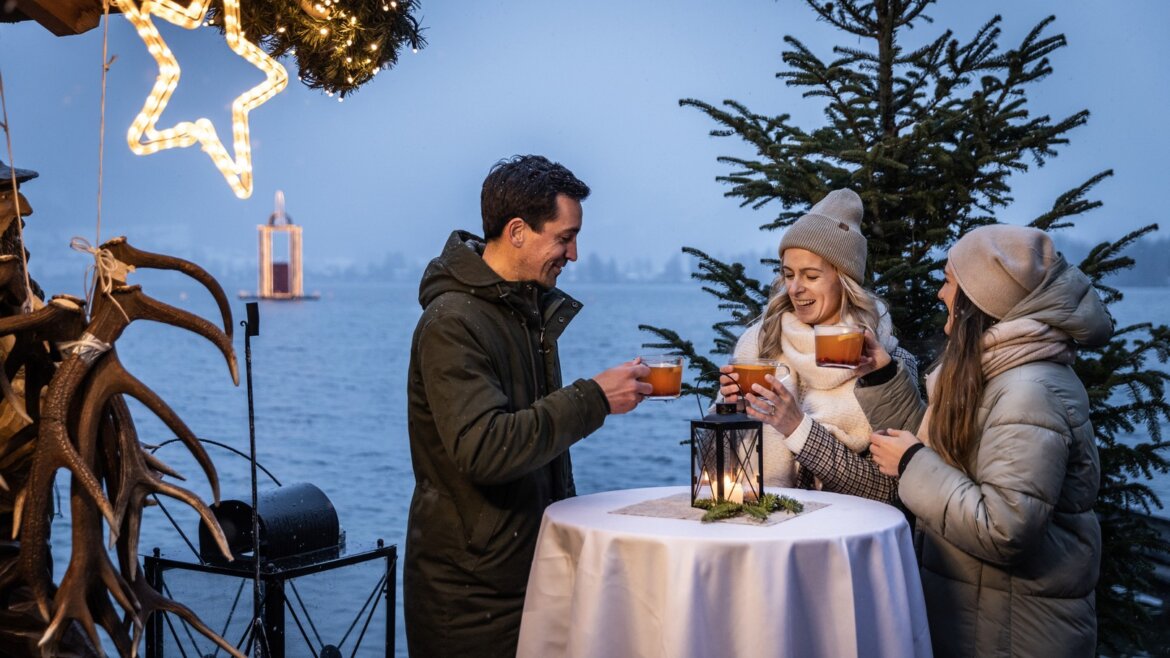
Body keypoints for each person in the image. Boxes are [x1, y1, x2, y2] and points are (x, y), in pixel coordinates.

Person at [403, 154, 652, 657]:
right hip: (471, 600)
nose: (575, 253)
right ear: (517, 231)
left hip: (530, 573)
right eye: (564, 237)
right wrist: (595, 398)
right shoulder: (453, 323)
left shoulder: (524, 310)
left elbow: (532, 443)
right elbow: (485, 449)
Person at [858, 224, 1110, 656]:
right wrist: (882, 378)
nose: (940, 294)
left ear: (982, 300)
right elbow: (948, 460)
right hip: (978, 615)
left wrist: (911, 463)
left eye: (950, 282)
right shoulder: (997, 371)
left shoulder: (1028, 392)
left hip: (1015, 634)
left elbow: (1005, 529)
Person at [718, 188, 916, 503]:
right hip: (761, 525)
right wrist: (730, 413)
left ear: (845, 279)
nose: (795, 289)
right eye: (788, 275)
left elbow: (888, 490)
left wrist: (797, 427)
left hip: (839, 537)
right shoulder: (758, 345)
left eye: (811, 276)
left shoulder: (886, 361)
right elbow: (719, 470)